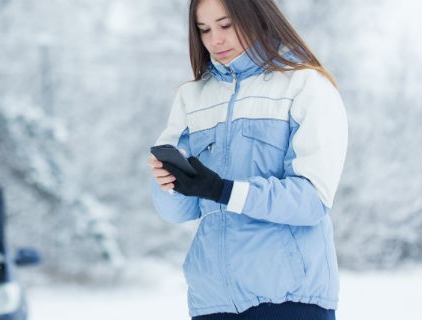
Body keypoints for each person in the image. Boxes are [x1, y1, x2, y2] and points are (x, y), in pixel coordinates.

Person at [147, 0, 347, 319]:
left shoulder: (305, 85)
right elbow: (179, 211)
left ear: (257, 17)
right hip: (214, 299)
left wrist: (224, 190)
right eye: (204, 30)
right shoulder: (192, 97)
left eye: (225, 25)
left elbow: (312, 201)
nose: (215, 40)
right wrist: (168, 184)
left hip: (291, 299)